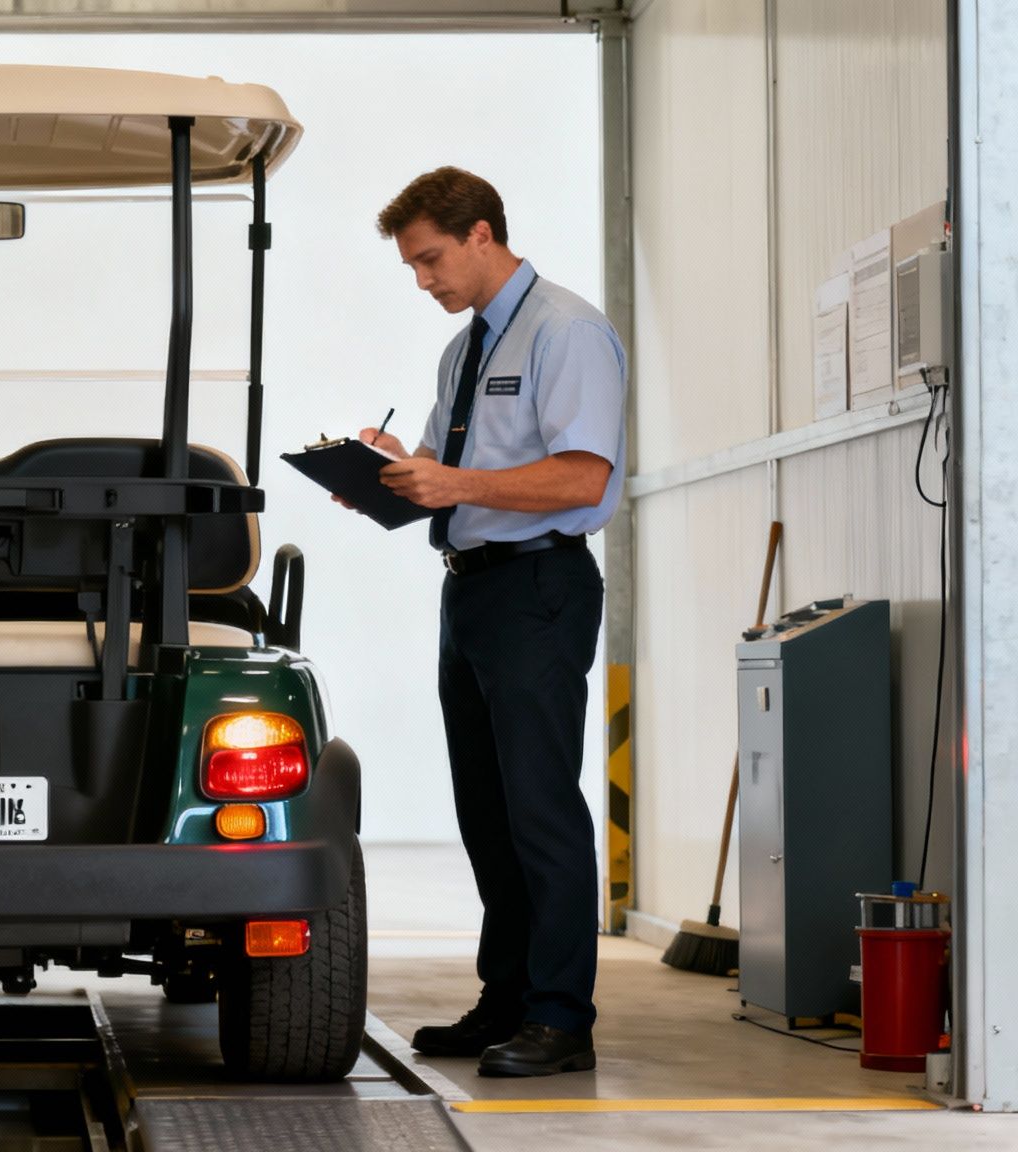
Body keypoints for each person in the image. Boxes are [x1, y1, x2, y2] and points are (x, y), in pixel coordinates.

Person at [343, 166, 625, 1077]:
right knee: (488, 812)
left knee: (540, 808)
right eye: (411, 266)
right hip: (469, 591)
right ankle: (506, 999)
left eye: (431, 260)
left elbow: (584, 477)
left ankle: (561, 1018)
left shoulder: (565, 332)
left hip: (538, 586)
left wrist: (453, 481)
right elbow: (445, 467)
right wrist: (388, 472)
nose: (423, 280)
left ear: (482, 234)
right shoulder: (464, 351)